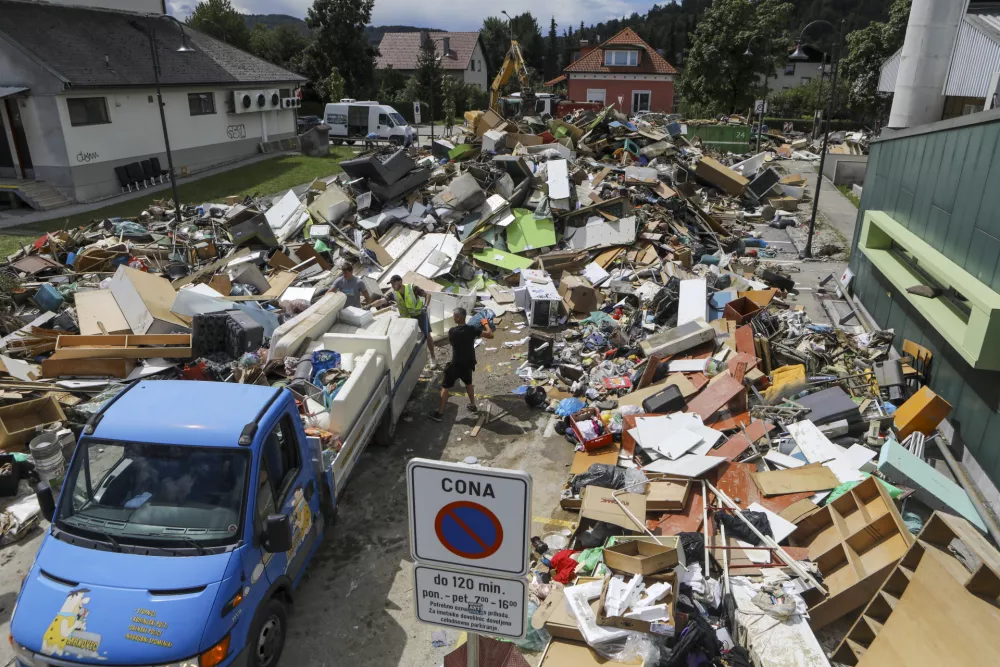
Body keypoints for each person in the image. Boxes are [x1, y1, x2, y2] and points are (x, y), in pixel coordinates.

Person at [430, 307, 493, 421]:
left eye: (454, 316)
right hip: (468, 363)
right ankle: (473, 405)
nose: (453, 317)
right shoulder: (472, 329)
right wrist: (485, 323)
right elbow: (490, 335)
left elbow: (451, 342)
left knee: (445, 387)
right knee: (468, 383)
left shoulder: (452, 331)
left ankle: (440, 413)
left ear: (458, 318)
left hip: (456, 364)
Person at [389, 274, 437, 367]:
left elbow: (428, 294)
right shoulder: (394, 293)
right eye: (391, 284)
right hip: (407, 318)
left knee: (427, 335)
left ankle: (432, 357)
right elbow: (383, 300)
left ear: (400, 282)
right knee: (408, 337)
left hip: (419, 314)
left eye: (393, 283)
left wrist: (425, 306)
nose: (392, 286)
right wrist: (370, 306)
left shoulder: (412, 288)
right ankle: (412, 361)